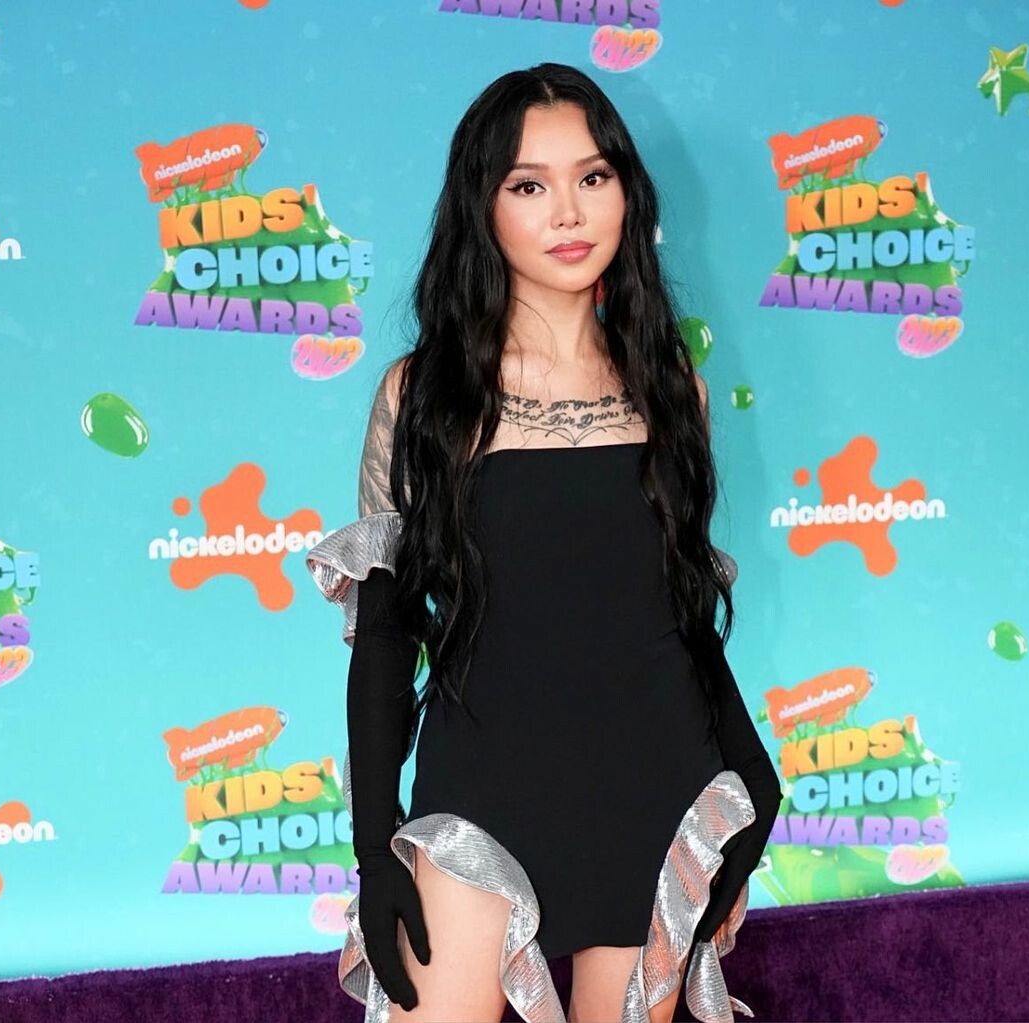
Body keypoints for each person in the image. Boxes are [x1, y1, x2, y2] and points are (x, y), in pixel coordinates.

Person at [306, 62, 783, 1023]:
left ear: (626, 193)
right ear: (482, 206)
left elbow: (679, 617)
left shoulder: (672, 390)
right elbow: (387, 639)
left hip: (656, 790)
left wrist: (754, 779)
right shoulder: (423, 395)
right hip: (480, 797)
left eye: (592, 177)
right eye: (529, 185)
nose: (568, 212)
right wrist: (373, 852)